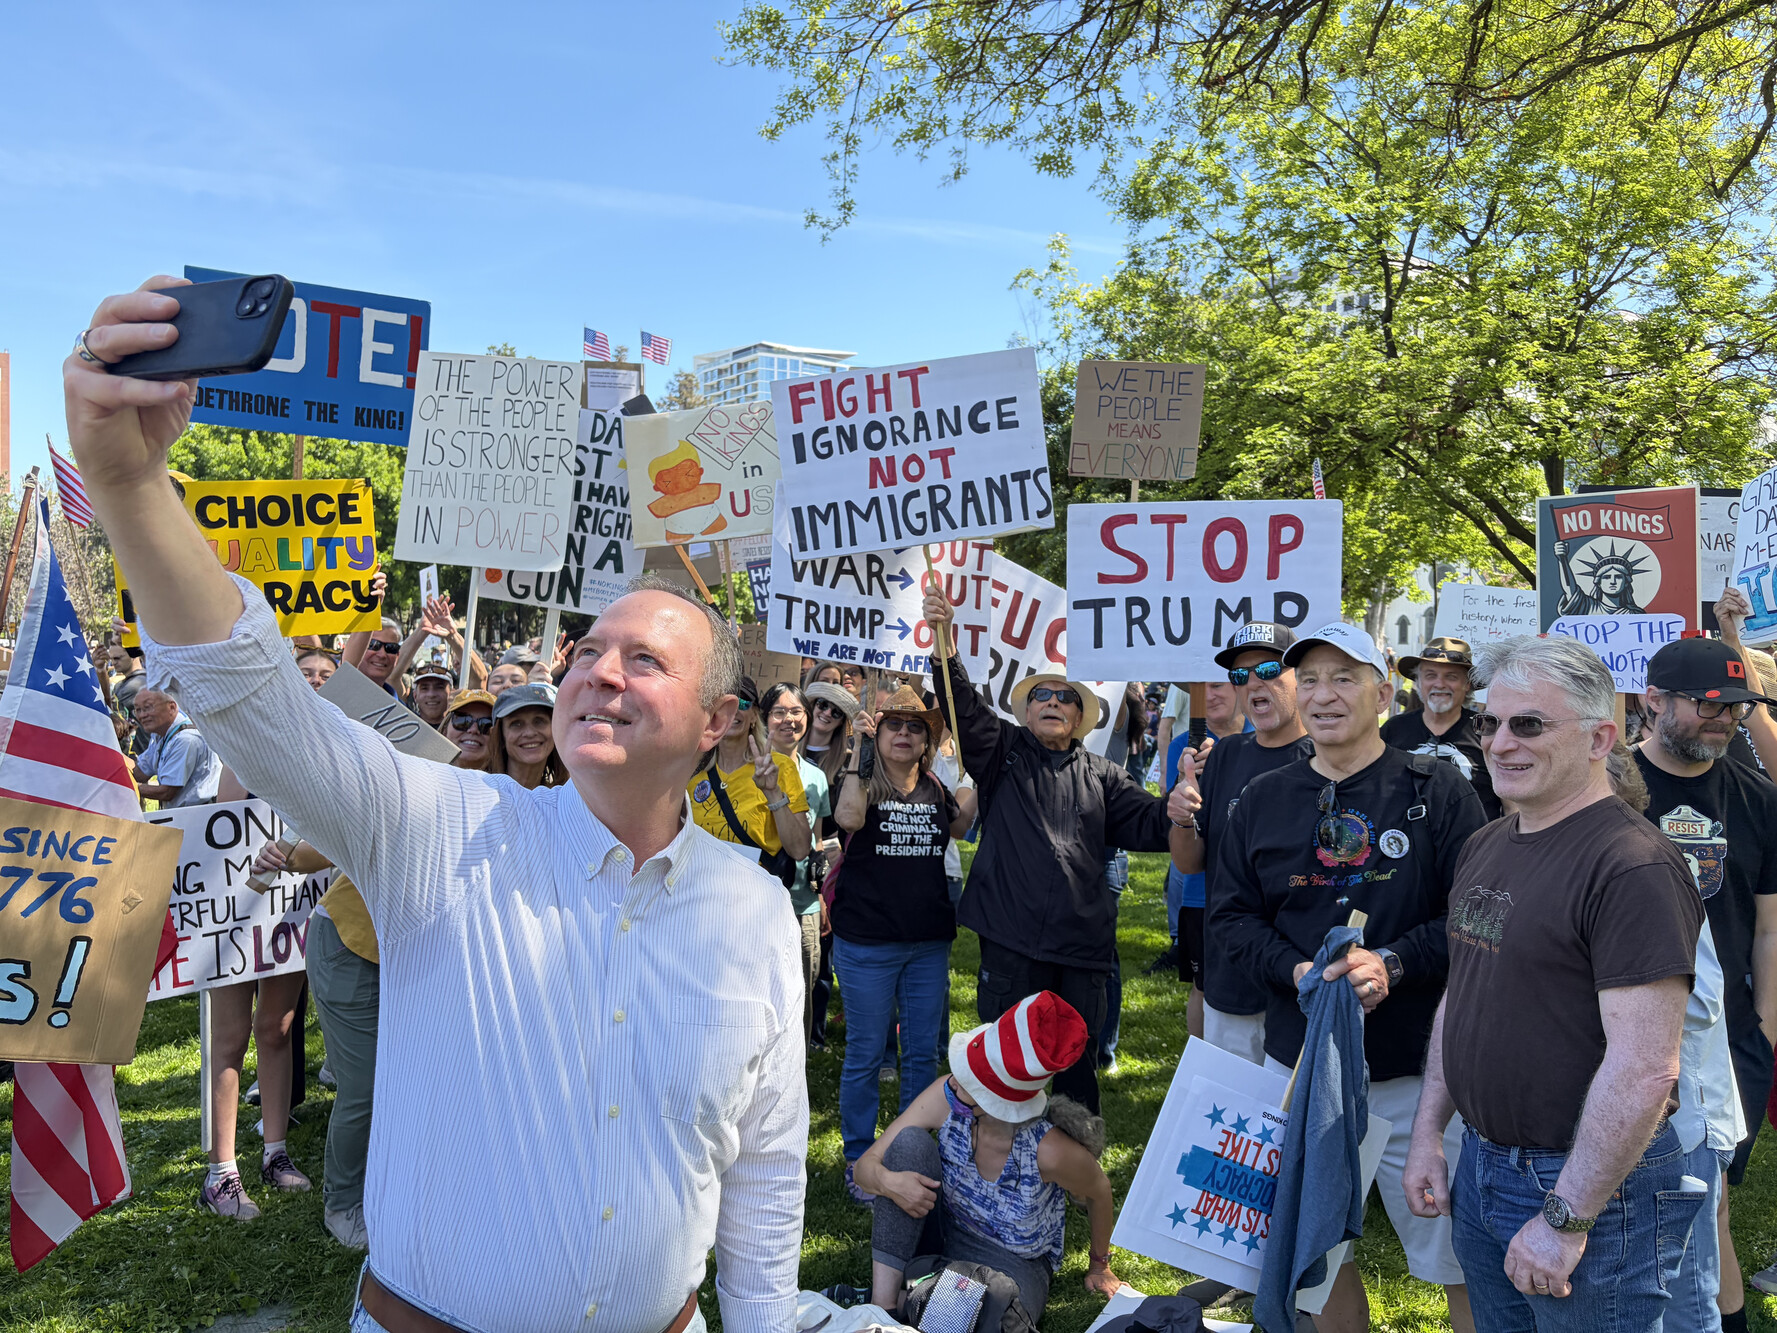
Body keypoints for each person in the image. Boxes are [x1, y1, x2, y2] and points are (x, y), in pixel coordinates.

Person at [70, 279, 808, 1330]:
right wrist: (131, 483)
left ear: (717, 720)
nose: (598, 671)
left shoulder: (752, 911)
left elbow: (771, 1162)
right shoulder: (442, 831)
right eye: (586, 651)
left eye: (644, 658)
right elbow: (250, 691)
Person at [1404, 634, 1705, 1331]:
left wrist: (1565, 1217)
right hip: (1483, 1166)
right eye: (1490, 722)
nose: (1499, 742)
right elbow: (1464, 995)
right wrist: (1429, 1133)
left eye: (1528, 724)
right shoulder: (1487, 841)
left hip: (1587, 1189)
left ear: (1601, 737)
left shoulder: (1631, 865)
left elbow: (1642, 1069)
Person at [1212, 621, 1486, 1332]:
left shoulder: (1439, 789)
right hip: (1301, 1073)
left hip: (1416, 1075)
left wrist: (1391, 962)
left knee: (1459, 1252)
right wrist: (1299, 968)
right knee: (1317, 1261)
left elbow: (1476, 915)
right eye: (1309, 680)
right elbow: (1232, 921)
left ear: (1380, 690)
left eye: (1343, 677)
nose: (1323, 695)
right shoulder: (1263, 799)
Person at [924, 587, 1173, 1115]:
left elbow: (1153, 823)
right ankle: (1001, 1166)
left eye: (1065, 697)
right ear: (1028, 711)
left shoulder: (1104, 775)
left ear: (1080, 715)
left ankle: (1075, 1167)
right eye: (1043, 696)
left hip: (1081, 953)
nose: (1054, 702)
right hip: (1012, 946)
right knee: (1007, 1064)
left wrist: (1182, 801)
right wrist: (944, 640)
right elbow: (961, 705)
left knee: (1074, 1072)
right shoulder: (1003, 752)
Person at [1632, 632, 1777, 1333]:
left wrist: (1764, 1031)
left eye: (1735, 706)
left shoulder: (1758, 797)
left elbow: (1770, 928)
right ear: (1650, 700)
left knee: (1708, 1197)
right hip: (1622, 1028)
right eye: (1707, 704)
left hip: (1727, 1037)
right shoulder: (1606, 788)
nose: (1722, 718)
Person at [847, 992, 1127, 1320]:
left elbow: (1100, 1191)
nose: (955, 1085)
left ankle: (911, 1297)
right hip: (942, 1234)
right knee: (909, 1143)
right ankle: (883, 1311)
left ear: (1001, 1107)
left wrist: (1099, 1266)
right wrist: (889, 1182)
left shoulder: (1049, 1151)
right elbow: (865, 1167)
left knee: (991, 1313)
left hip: (1013, 1265)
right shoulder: (946, 1094)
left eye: (970, 1085)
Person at [832, 686, 975, 1202]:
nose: (905, 734)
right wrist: (858, 751)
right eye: (895, 724)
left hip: (927, 943)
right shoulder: (862, 782)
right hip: (868, 942)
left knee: (920, 1055)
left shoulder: (937, 786)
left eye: (916, 728)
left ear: (928, 742)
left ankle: (910, 1149)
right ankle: (857, 1157)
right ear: (881, 732)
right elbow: (847, 819)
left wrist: (983, 770)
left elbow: (961, 827)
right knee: (867, 1053)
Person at [1170, 622, 1314, 1056]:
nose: (1253, 683)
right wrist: (1180, 816)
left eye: (1269, 669)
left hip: (1303, 975)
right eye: (1240, 675)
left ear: (1299, 676)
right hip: (1231, 971)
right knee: (1233, 1112)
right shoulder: (1225, 755)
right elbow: (1190, 863)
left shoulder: (1327, 759)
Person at [688, 675, 812, 872]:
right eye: (723, 704)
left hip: (753, 896)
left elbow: (800, 850)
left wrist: (773, 792)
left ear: (755, 716)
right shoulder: (692, 769)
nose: (733, 711)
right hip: (698, 889)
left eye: (743, 703)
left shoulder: (779, 767)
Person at [761, 681, 830, 1040]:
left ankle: (796, 1073)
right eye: (779, 712)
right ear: (765, 719)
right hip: (757, 903)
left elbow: (816, 838)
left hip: (803, 905)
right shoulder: (749, 768)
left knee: (801, 990)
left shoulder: (816, 776)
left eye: (796, 711)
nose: (789, 720)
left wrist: (820, 898)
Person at [1381, 637, 1502, 819]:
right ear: (1419, 682)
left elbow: (1512, 801)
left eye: (1451, 677)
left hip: (1475, 844)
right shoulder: (1393, 729)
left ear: (1467, 684)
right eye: (1430, 675)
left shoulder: (1487, 730)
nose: (1440, 684)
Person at [130, 685, 220, 807]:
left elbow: (166, 792)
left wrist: (127, 787)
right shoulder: (160, 734)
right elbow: (140, 771)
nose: (142, 715)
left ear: (172, 707)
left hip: (198, 816)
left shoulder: (185, 739)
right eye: (138, 710)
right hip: (182, 815)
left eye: (147, 707)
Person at [486, 682, 569, 787]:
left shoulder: (569, 797)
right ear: (500, 736)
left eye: (539, 721)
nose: (529, 733)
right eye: (517, 724)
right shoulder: (479, 792)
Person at [442, 688, 496, 771]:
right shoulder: (421, 774)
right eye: (462, 720)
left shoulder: (510, 783)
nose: (473, 730)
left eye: (486, 724)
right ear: (445, 730)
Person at [407, 660, 451, 729]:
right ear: (415, 696)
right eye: (424, 688)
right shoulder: (407, 727)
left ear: (451, 694)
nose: (431, 694)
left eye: (439, 687)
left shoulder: (462, 729)